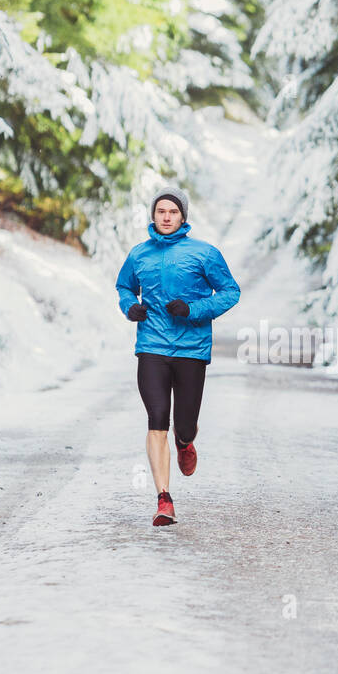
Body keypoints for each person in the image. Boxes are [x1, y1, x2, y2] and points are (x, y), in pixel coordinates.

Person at [115, 186, 241, 526]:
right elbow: (124, 286)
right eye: (161, 212)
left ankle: (185, 441)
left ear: (183, 216)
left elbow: (231, 292)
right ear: (153, 216)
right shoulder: (139, 254)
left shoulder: (205, 253)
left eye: (173, 212)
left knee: (183, 425)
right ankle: (163, 499)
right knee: (157, 418)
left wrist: (193, 309)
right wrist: (131, 307)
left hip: (191, 349)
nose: (166, 217)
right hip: (152, 348)